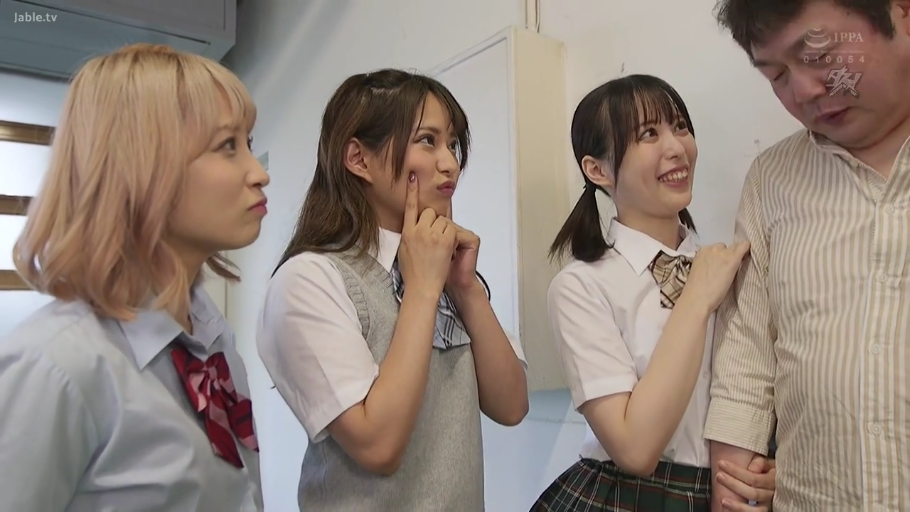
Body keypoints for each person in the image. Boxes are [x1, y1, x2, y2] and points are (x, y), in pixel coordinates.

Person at [0, 43, 269, 512]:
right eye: (228, 145)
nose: (259, 172)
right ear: (142, 165)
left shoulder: (215, 342)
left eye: (248, 142)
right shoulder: (55, 366)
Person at [256, 68, 529, 511]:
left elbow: (511, 406)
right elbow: (378, 446)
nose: (450, 163)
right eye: (428, 140)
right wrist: (422, 290)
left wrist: (465, 287)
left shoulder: (443, 270)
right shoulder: (310, 279)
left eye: (453, 144)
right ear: (358, 159)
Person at [530, 74, 776, 512]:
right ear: (598, 170)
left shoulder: (728, 267)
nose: (677, 147)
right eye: (648, 134)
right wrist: (696, 300)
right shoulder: (581, 287)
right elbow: (634, 449)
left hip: (720, 495)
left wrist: (775, 470)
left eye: (680, 127)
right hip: (620, 496)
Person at [705, 0, 910, 510]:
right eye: (775, 75)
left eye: (818, 54)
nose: (802, 91)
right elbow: (746, 363)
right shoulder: (772, 180)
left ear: (901, 14)